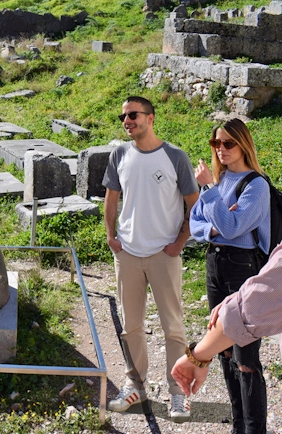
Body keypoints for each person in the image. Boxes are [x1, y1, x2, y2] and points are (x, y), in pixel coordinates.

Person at [102, 96, 199, 420]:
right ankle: (135, 386)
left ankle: (177, 393)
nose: (126, 120)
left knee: (173, 327)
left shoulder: (175, 157)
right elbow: (111, 199)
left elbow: (193, 203)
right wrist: (111, 237)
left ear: (150, 118)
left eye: (132, 115)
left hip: (163, 254)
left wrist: (180, 241)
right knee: (131, 326)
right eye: (123, 116)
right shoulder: (119, 154)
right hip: (127, 254)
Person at [189, 118, 269, 434]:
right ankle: (238, 425)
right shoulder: (221, 182)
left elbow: (233, 228)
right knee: (222, 349)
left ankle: (254, 430)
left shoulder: (256, 185)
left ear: (242, 144)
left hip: (243, 267)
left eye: (227, 143)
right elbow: (196, 224)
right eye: (216, 144)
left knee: (245, 356)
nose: (221, 149)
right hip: (216, 263)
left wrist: (209, 191)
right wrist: (215, 221)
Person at [172, 241, 282, 401]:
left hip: (242, 259)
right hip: (219, 259)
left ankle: (253, 426)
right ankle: (238, 424)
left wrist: (197, 356)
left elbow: (246, 310)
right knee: (228, 358)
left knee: (246, 362)